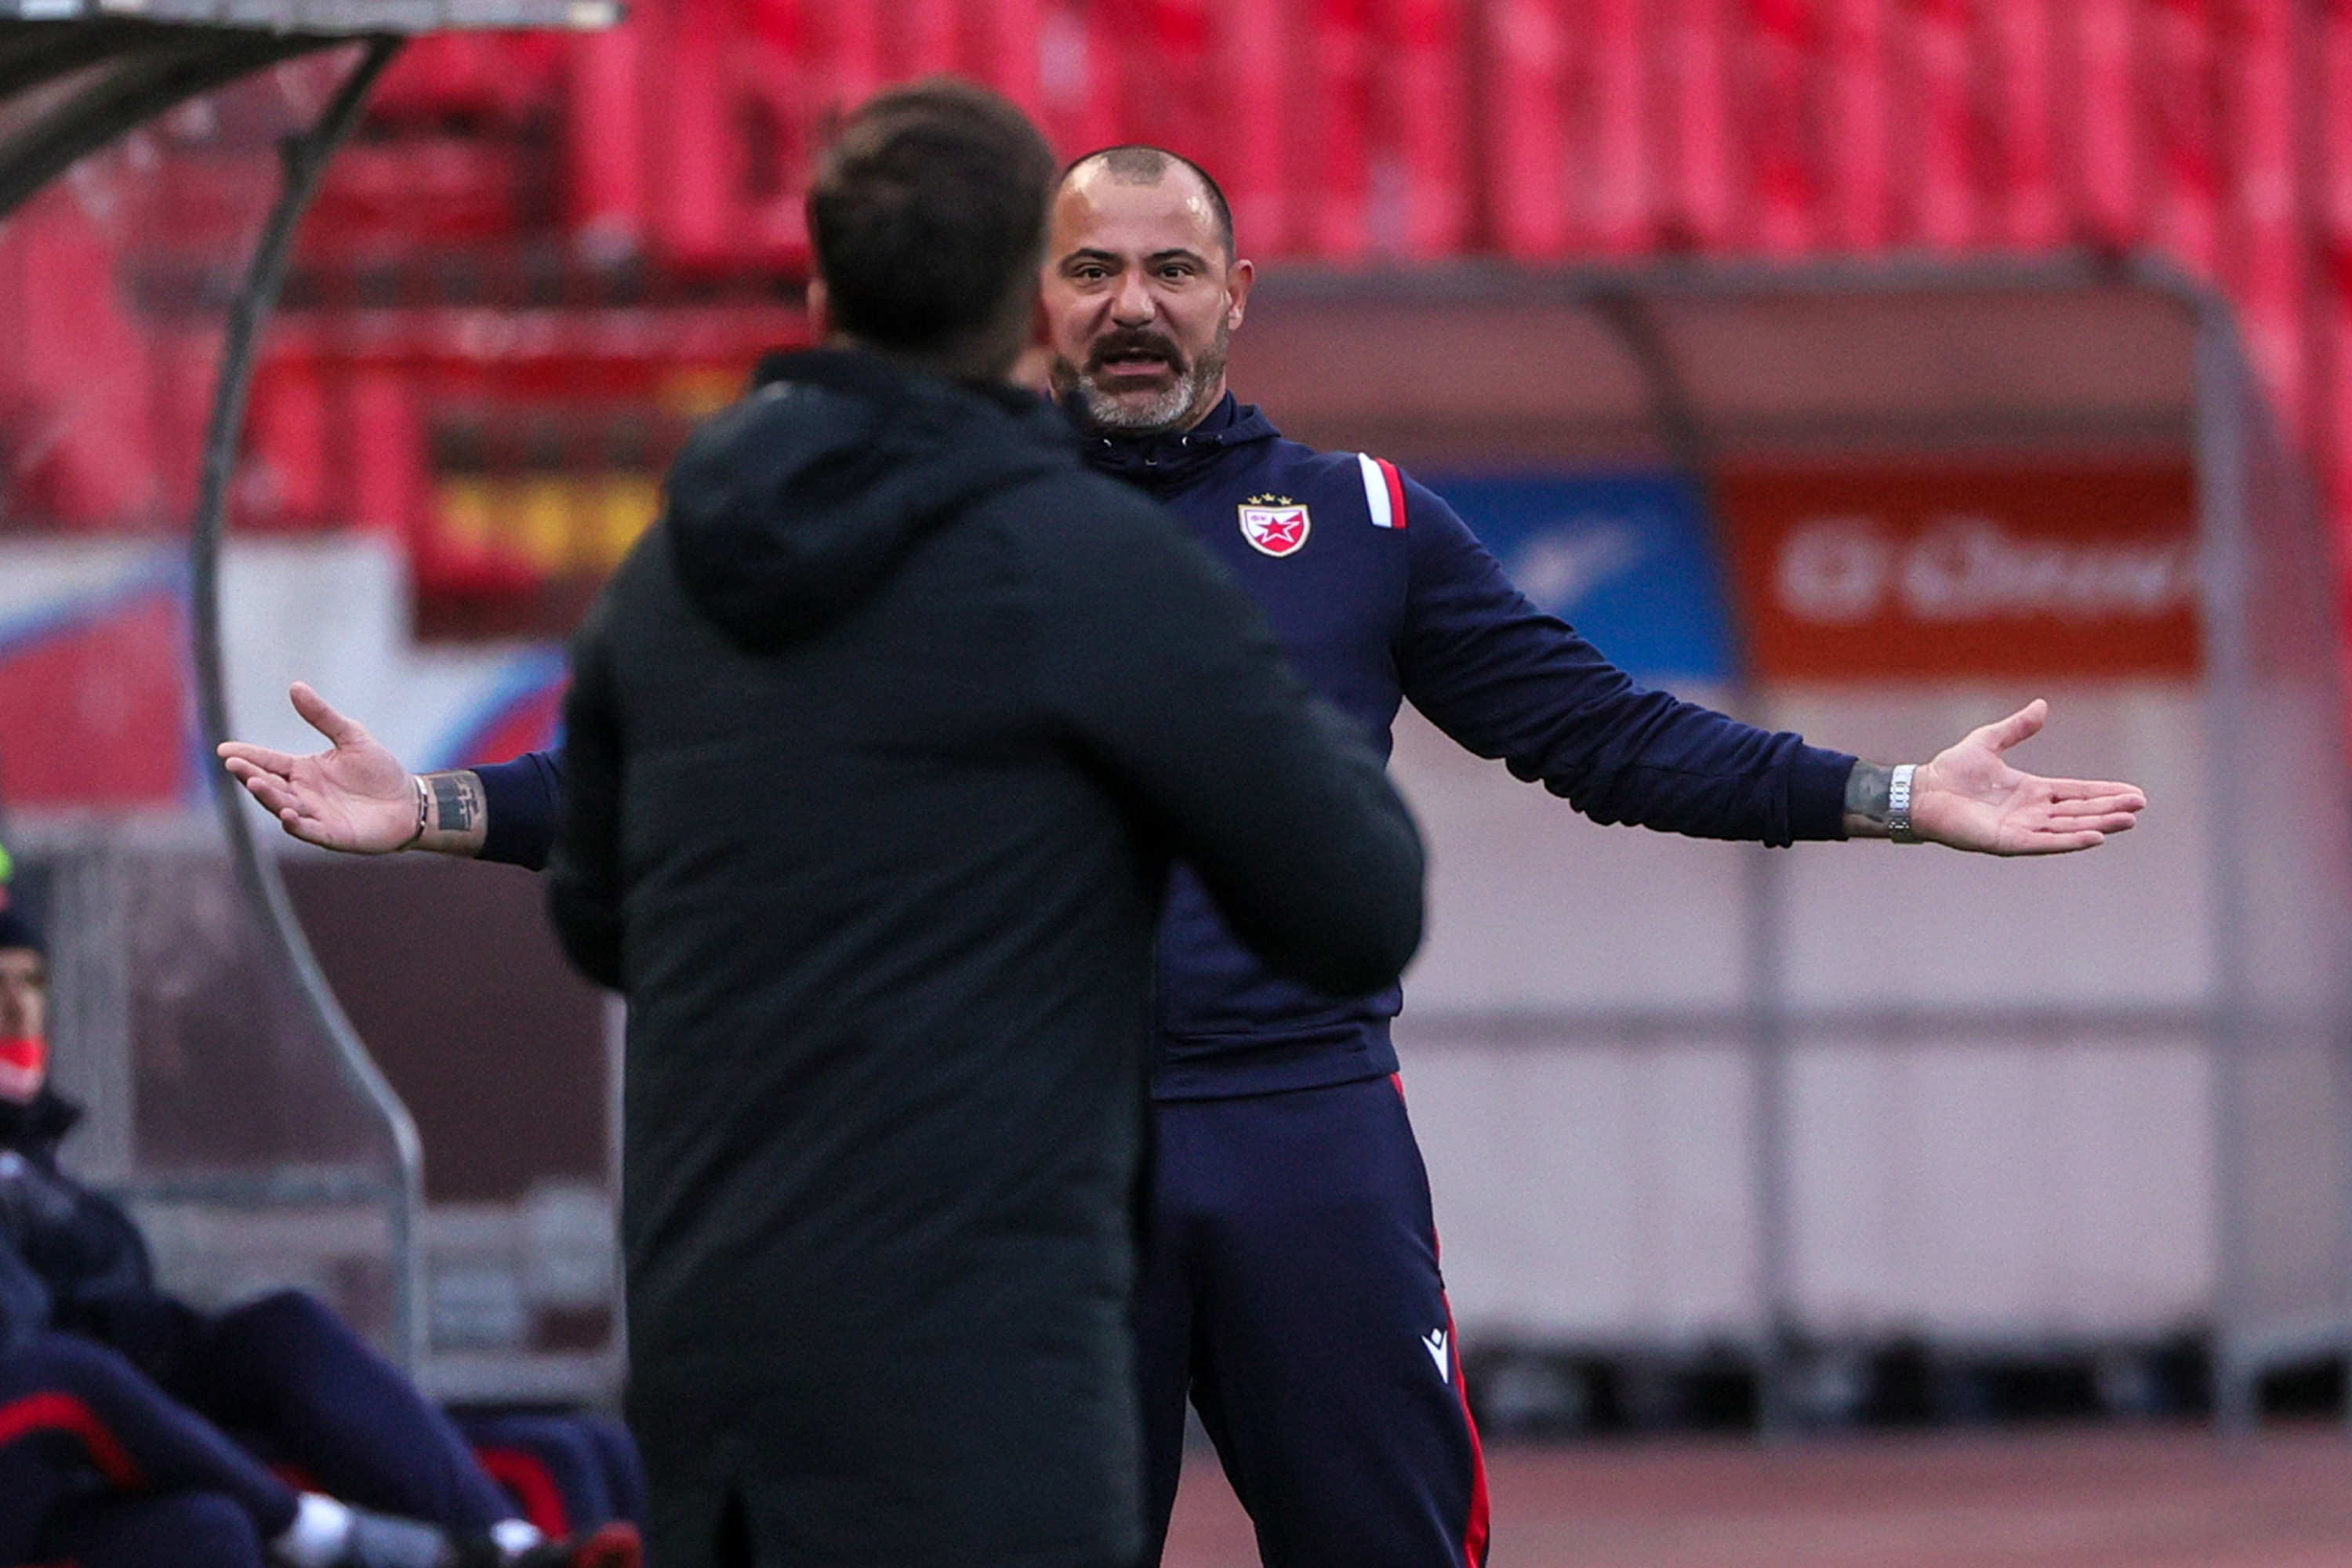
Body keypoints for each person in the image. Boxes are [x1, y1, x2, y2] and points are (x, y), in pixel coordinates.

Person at [220, 145, 2147, 1568]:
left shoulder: (1369, 517)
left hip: (1303, 1131)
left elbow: (1604, 735)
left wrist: (1887, 792)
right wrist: (448, 807)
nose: (1129, 303)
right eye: (1088, 269)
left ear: (1240, 296)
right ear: (1028, 305)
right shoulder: (919, 528)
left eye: (1170, 266)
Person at [561, 83, 1424, 1568]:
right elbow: (1353, 900)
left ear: (823, 294)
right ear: (1033, 311)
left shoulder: (667, 569)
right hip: (984, 1330)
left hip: (724, 1321)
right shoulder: (1087, 566)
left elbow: (605, 911)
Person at [0, 906, 642, 1568]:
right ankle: (372, 1539)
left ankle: (513, 1549)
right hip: (58, 1439)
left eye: (32, 987)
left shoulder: (46, 1178)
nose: (19, 1015)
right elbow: (35, 1341)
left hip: (126, 1409)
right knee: (200, 1520)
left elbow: (123, 1319)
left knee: (290, 1328)